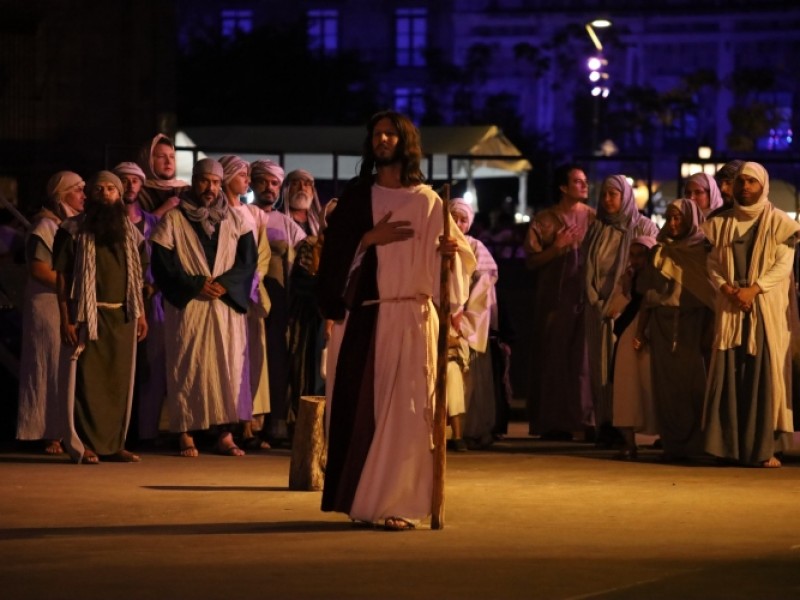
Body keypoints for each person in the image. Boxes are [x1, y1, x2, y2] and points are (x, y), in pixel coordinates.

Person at [317, 110, 475, 530]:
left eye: (391, 134)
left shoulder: (428, 200)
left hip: (413, 317)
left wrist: (448, 253)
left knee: (408, 412)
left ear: (405, 142)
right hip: (366, 319)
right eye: (377, 134)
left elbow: (460, 266)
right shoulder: (356, 198)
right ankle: (364, 503)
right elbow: (331, 260)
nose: (383, 140)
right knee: (359, 409)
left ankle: (400, 504)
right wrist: (367, 240)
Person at [149, 158, 257, 457]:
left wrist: (225, 284)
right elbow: (162, 264)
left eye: (214, 182)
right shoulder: (173, 219)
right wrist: (195, 284)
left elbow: (248, 263)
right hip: (191, 305)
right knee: (187, 364)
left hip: (224, 303)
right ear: (194, 181)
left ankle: (224, 433)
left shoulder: (237, 220)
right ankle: (185, 432)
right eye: (204, 181)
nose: (209, 188)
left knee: (227, 367)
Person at [702, 162, 800, 468]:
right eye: (741, 181)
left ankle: (763, 447)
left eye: (751, 182)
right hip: (732, 308)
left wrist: (753, 290)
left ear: (763, 186)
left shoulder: (780, 223)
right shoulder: (721, 224)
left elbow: (783, 266)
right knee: (730, 374)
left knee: (763, 375)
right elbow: (714, 265)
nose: (745, 187)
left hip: (763, 309)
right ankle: (726, 447)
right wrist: (729, 289)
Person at [53, 171, 148, 464]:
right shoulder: (71, 230)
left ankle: (114, 444)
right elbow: (62, 277)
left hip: (122, 316)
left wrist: (141, 313)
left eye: (111, 189)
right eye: (99, 189)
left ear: (119, 196)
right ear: (89, 195)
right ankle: (85, 444)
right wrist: (66, 318)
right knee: (86, 384)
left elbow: (138, 278)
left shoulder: (131, 232)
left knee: (119, 384)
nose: (105, 194)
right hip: (87, 316)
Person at [635, 199, 715, 461]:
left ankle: (697, 445)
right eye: (669, 218)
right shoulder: (660, 251)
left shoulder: (701, 251)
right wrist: (640, 330)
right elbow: (648, 295)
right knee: (666, 388)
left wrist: (708, 329)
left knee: (694, 386)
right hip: (662, 325)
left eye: (678, 218)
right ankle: (673, 445)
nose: (672, 223)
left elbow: (709, 295)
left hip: (692, 324)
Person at [583, 174, 659, 446]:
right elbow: (587, 267)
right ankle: (606, 423)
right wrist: (595, 299)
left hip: (629, 308)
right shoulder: (597, 228)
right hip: (597, 307)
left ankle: (628, 425)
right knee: (599, 367)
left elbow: (650, 268)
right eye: (604, 194)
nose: (607, 200)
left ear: (625, 196)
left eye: (613, 194)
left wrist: (619, 299)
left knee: (625, 370)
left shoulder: (643, 227)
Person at [524, 164, 595, 441]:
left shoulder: (594, 219)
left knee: (583, 361)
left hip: (585, 299)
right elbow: (531, 261)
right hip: (554, 301)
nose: (584, 186)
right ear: (563, 187)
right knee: (553, 359)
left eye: (585, 181)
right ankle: (553, 422)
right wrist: (557, 247)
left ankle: (585, 420)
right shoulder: (545, 220)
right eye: (577, 181)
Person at [16, 171, 85, 455]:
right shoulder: (45, 225)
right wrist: (73, 283)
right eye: (78, 190)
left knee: (63, 367)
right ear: (62, 194)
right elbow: (39, 269)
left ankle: (61, 429)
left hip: (65, 303)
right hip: (47, 305)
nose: (83, 195)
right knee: (47, 366)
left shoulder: (71, 226)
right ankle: (46, 432)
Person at [250, 159, 307, 446]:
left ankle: (275, 425)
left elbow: (305, 258)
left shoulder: (286, 224)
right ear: (252, 183)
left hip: (279, 302)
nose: (269, 188)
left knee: (275, 359)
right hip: (245, 300)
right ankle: (246, 426)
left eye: (274, 183)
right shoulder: (242, 215)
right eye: (263, 181)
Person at [219, 155, 272, 451]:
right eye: (242, 175)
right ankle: (226, 422)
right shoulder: (219, 211)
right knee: (230, 358)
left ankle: (248, 424)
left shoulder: (252, 212)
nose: (247, 181)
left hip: (251, 291)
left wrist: (254, 279)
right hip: (229, 292)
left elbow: (260, 250)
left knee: (250, 359)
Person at [113, 161, 166, 445]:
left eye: (135, 181)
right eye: (124, 180)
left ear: (141, 185)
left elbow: (165, 261)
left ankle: (147, 433)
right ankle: (116, 433)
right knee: (119, 367)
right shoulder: (107, 222)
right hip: (117, 302)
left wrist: (153, 286)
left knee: (152, 369)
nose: (130, 185)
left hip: (152, 301)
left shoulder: (155, 223)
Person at [448, 197, 500, 450]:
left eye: (463, 219)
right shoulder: (440, 245)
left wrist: (465, 318)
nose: (458, 224)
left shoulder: (476, 247)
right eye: (453, 218)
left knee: (472, 379)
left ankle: (473, 429)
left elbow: (483, 290)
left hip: (468, 321)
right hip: (443, 319)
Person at [282, 169, 326, 430]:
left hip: (317, 307)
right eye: (296, 183)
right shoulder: (277, 221)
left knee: (314, 365)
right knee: (293, 364)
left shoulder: (320, 227)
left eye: (307, 183)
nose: (302, 188)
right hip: (290, 303)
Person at [610, 235, 659, 459]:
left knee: (653, 387)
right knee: (626, 388)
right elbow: (612, 311)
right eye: (633, 255)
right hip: (629, 335)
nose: (636, 260)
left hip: (651, 335)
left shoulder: (657, 277)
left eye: (642, 255)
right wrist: (626, 290)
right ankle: (629, 443)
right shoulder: (627, 278)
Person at [137, 133, 189, 217]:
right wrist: (163, 209)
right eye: (161, 156)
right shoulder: (138, 192)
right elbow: (137, 228)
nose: (168, 162)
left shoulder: (186, 189)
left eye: (172, 157)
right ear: (149, 161)